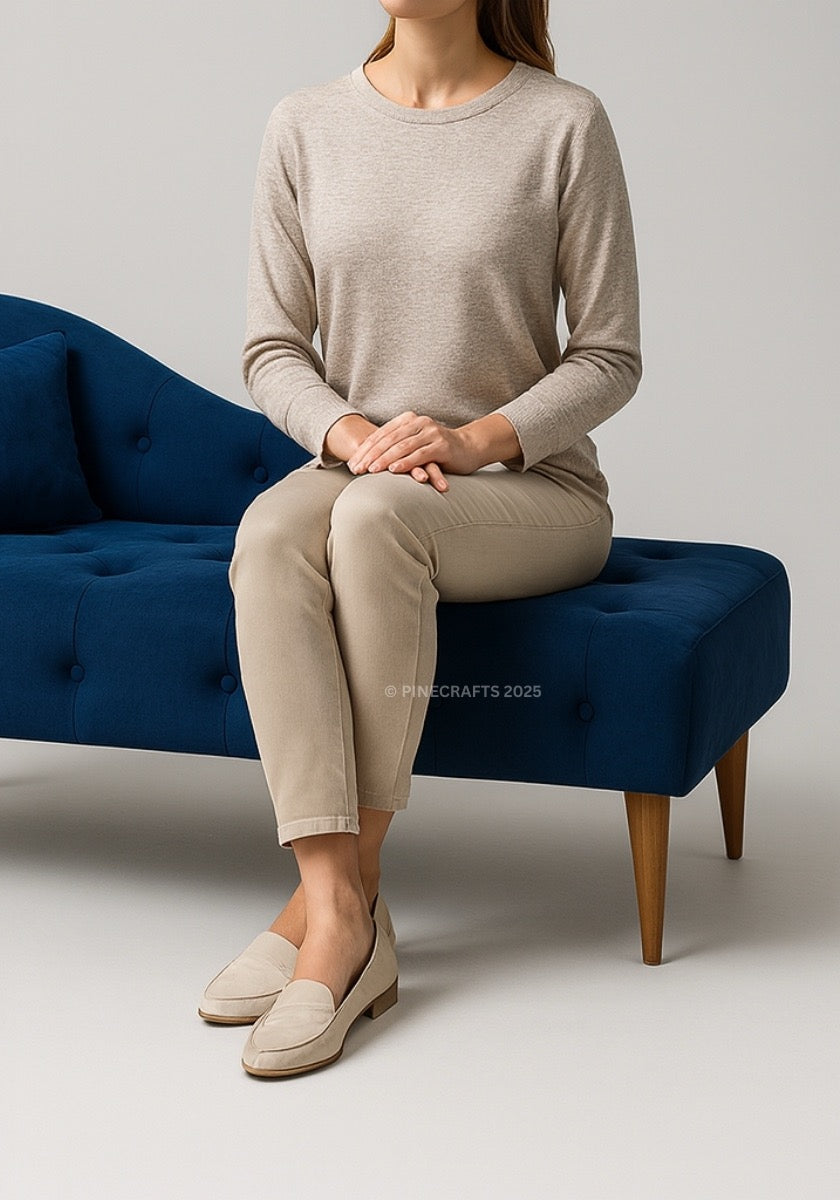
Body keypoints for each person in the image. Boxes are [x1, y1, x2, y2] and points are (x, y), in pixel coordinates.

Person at [199, 0, 642, 1078]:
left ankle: (336, 923)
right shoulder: (304, 123)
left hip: (528, 492)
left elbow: (610, 355)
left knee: (376, 516)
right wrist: (352, 432)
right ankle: (340, 897)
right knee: (267, 538)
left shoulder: (562, 123)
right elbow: (269, 347)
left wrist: (475, 439)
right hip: (358, 465)